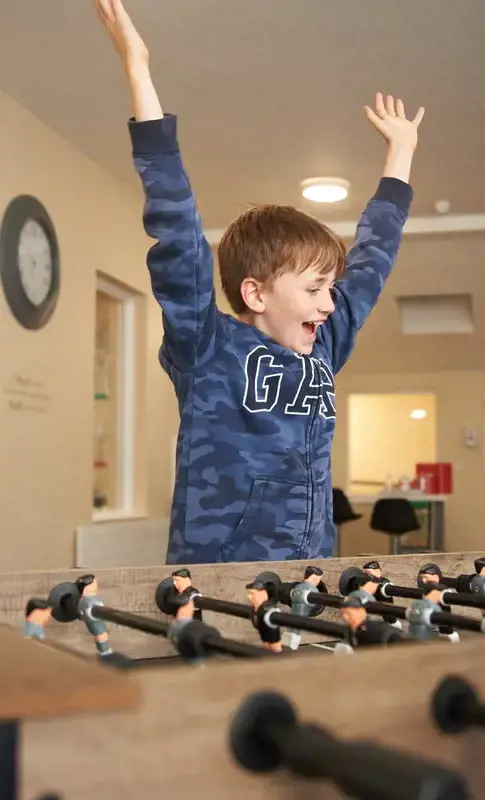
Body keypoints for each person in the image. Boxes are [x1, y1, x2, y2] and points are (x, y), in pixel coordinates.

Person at [94, 0, 425, 565]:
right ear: (256, 293)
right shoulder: (207, 347)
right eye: (315, 288)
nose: (329, 303)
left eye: (330, 289)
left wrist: (402, 154)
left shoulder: (324, 341)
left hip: (306, 576)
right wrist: (138, 69)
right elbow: (176, 229)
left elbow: (374, 258)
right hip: (216, 580)